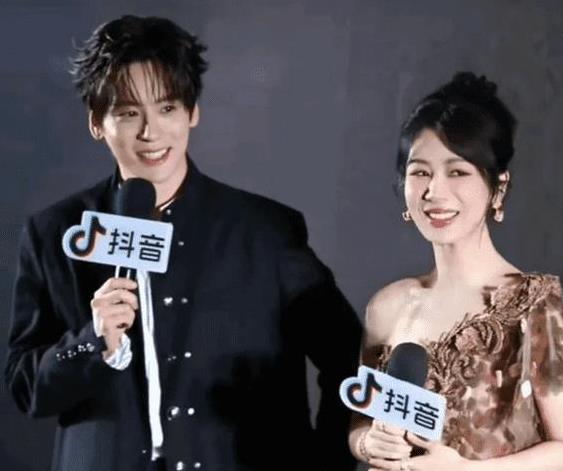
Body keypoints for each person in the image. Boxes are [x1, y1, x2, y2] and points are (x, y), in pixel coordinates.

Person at [4, 15, 361, 471]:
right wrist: (91, 342)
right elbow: (24, 386)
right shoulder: (55, 233)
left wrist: (325, 463)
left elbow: (348, 359)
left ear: (192, 112)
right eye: (128, 113)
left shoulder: (266, 232)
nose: (150, 132)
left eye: (167, 108)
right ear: (96, 121)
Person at [348, 72, 563, 471]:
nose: (435, 192)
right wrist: (367, 444)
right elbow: (361, 421)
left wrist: (465, 470)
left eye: (458, 172)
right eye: (420, 172)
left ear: (497, 188)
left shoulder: (534, 306)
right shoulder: (388, 305)